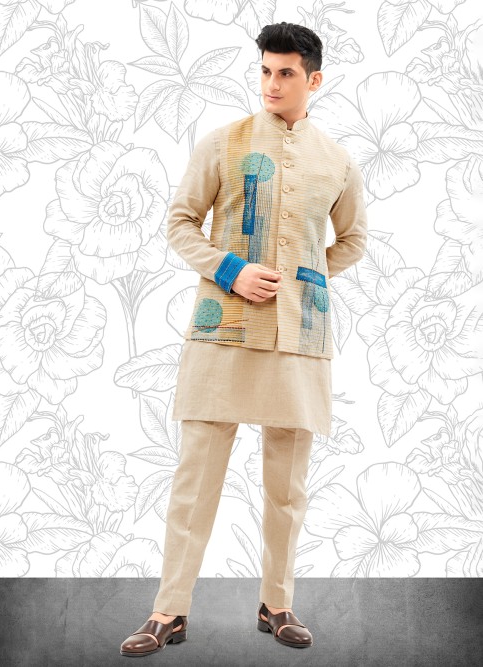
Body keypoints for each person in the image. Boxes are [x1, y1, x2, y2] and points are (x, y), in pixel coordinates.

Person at [120, 21, 367, 657]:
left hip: (299, 338)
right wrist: (231, 270)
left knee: (288, 485)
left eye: (286, 73)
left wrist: (302, 278)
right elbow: (180, 223)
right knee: (195, 478)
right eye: (264, 70)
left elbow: (354, 240)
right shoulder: (222, 143)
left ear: (314, 79)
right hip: (221, 332)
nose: (271, 84)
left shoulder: (337, 161)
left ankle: (276, 604)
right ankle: (168, 611)